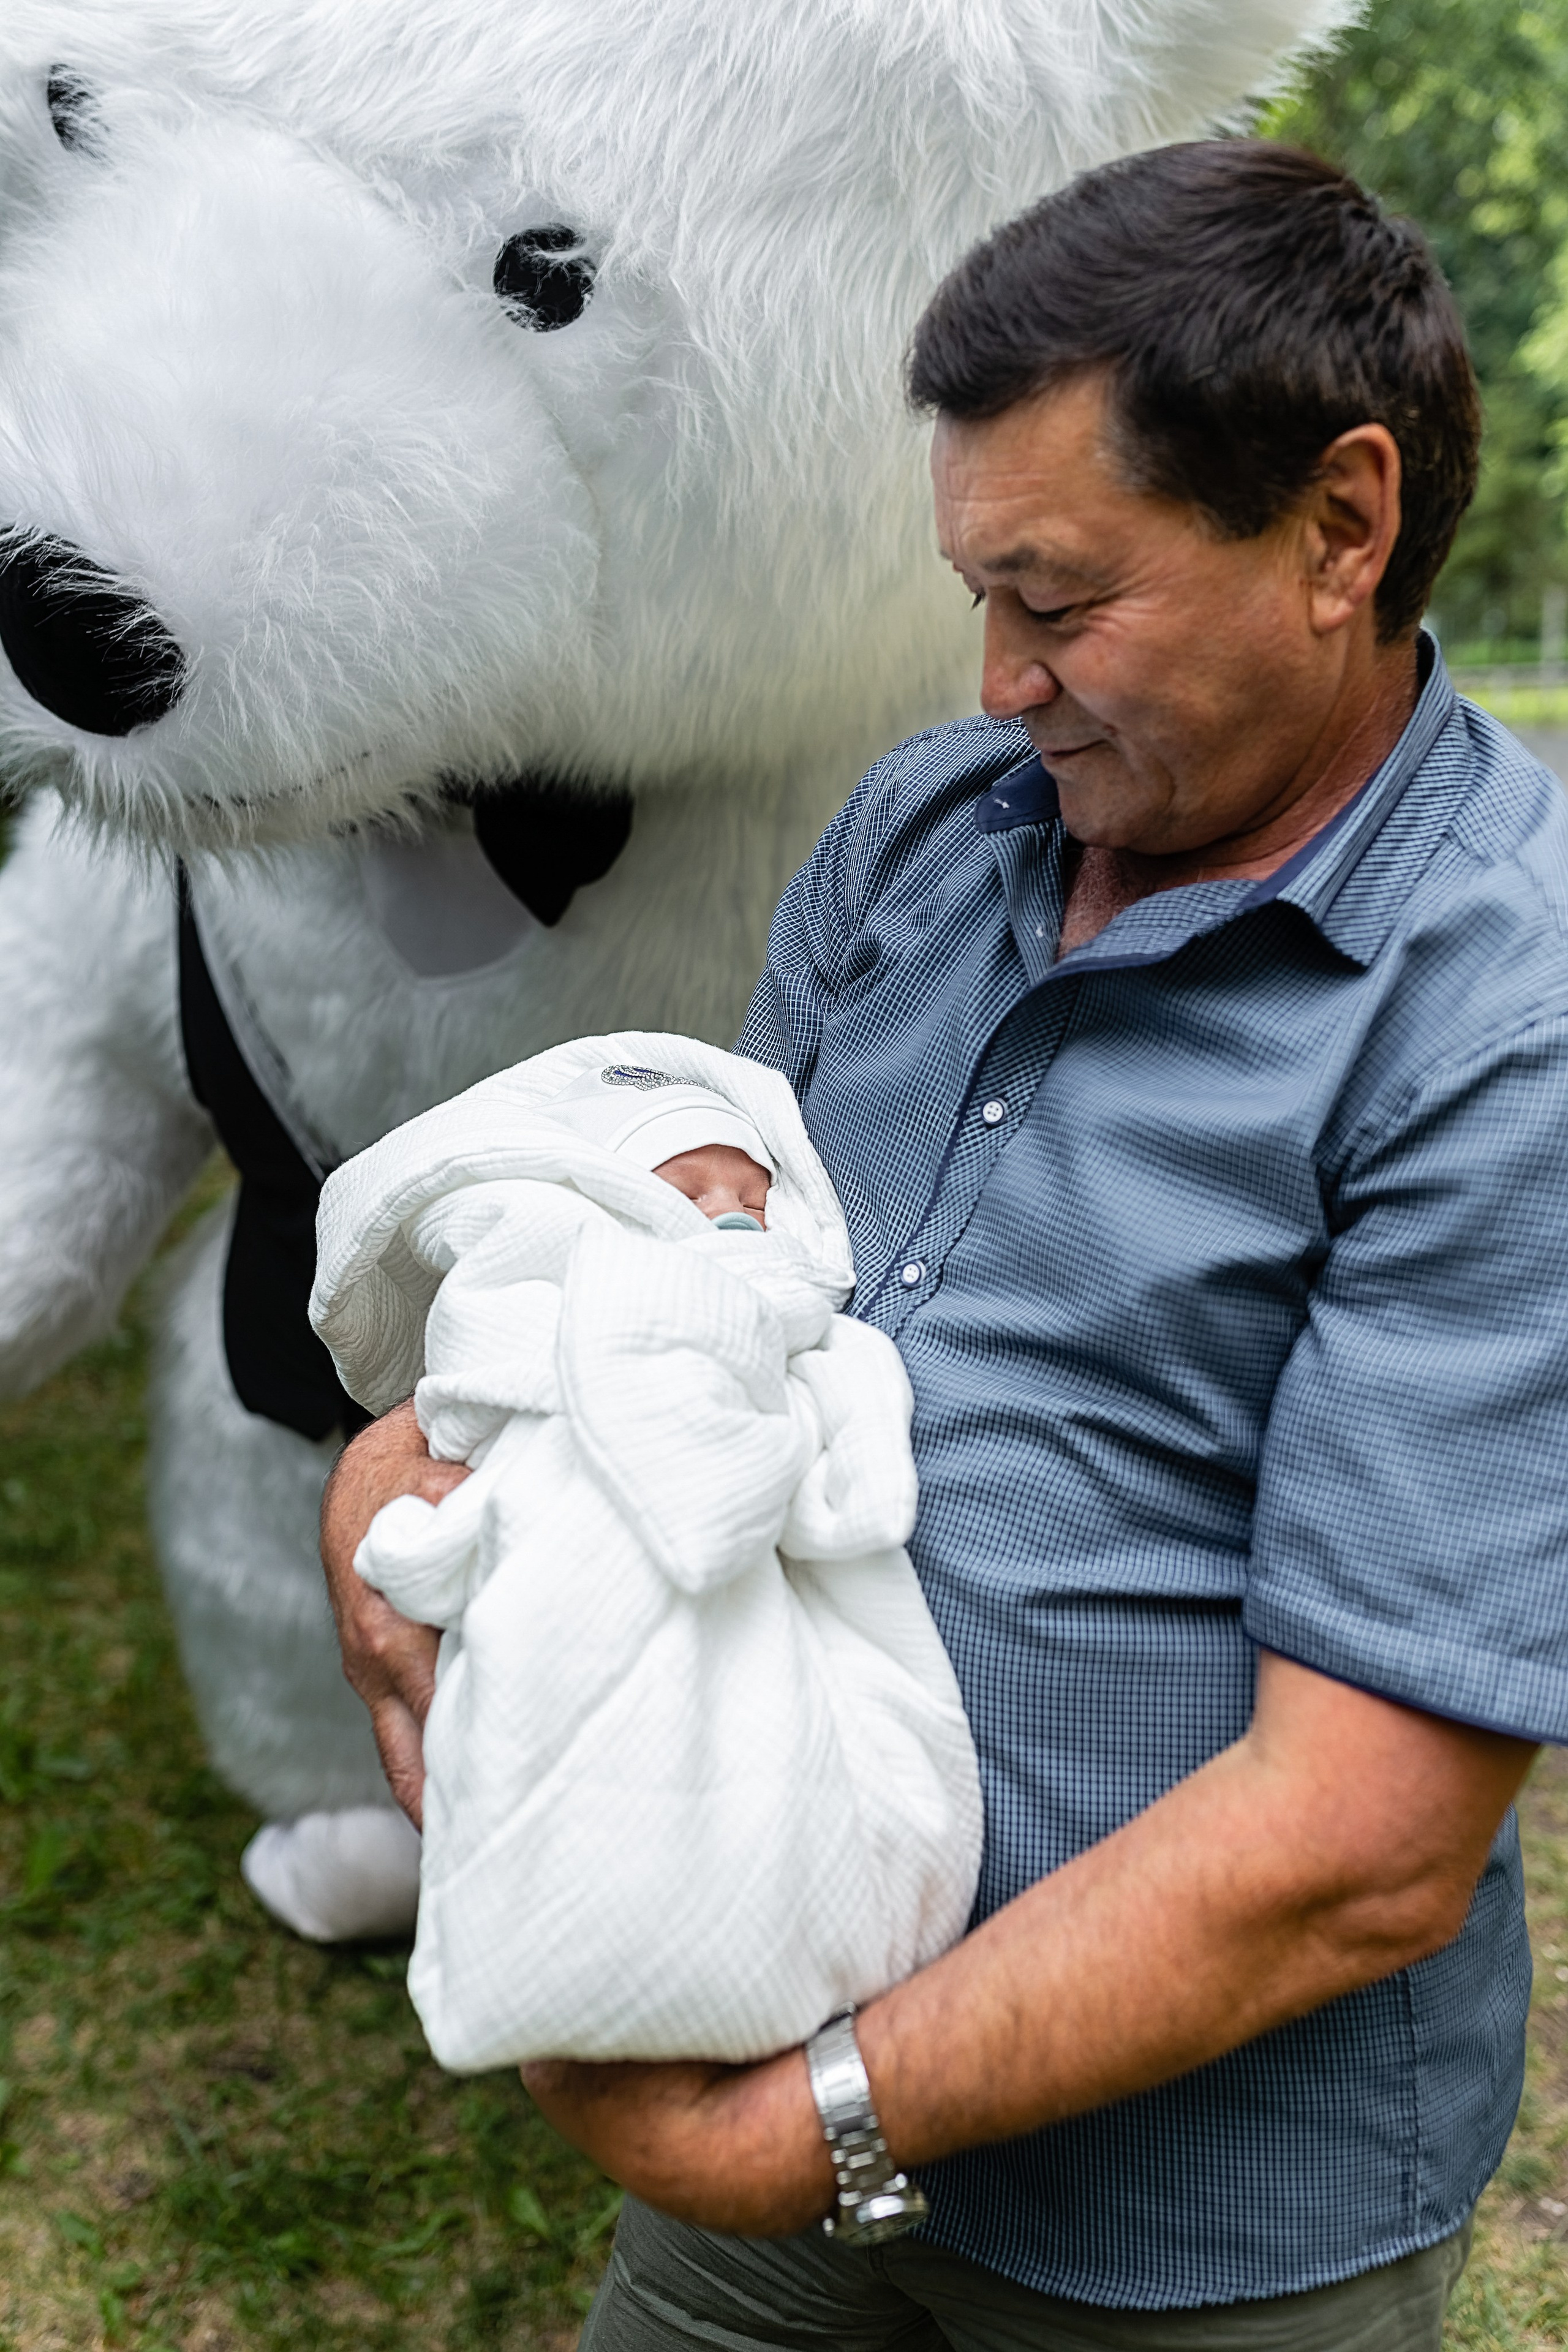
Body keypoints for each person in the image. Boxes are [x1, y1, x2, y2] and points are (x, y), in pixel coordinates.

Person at [320, 140, 1568, 2347]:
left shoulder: (1505, 1021)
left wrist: (807, 2131)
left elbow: (1365, 1840)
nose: (996, 681)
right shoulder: (927, 828)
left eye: (1063, 600)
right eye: (975, 593)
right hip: (776, 2014)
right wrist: (398, 1473)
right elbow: (688, 1266)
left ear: (1341, 530)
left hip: (1193, 2227)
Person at [306, 1038, 981, 2074]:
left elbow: (841, 1459)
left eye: (751, 1200)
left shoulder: (808, 1320)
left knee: (761, 1721)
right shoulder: (550, 1286)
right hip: (579, 1498)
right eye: (686, 1195)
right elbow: (487, 1379)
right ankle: (583, 1905)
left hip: (759, 1573)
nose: (727, 1222)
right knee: (582, 1691)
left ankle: (778, 1908)